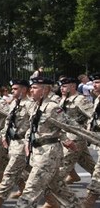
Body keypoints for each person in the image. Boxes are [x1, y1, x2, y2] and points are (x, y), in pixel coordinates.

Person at [14, 77, 82, 207]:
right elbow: (34, 128)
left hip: (48, 153)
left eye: (34, 88)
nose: (31, 90)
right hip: (38, 152)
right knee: (58, 188)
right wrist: (27, 142)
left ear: (44, 90)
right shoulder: (36, 106)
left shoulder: (52, 107)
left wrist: (66, 139)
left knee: (30, 190)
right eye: (31, 87)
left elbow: (69, 126)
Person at [0, 79, 35, 207]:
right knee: (25, 171)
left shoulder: (30, 104)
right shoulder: (15, 103)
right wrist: (5, 135)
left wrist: (28, 141)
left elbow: (36, 125)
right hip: (12, 143)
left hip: (22, 143)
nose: (12, 91)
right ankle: (50, 198)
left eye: (15, 89)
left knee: (10, 172)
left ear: (23, 89)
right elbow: (8, 121)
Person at [83, 73, 100, 207]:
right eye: (94, 82)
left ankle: (91, 198)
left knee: (98, 171)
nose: (94, 85)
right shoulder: (98, 99)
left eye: (98, 82)